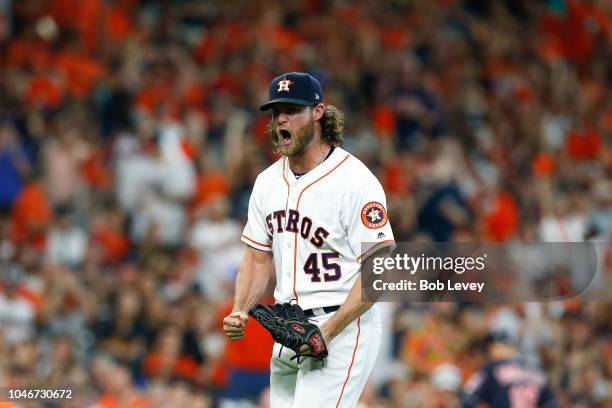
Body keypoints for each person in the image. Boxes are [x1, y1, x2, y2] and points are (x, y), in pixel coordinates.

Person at [222, 72, 395, 407]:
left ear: (318, 113)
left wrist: (327, 331)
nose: (281, 119)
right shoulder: (267, 182)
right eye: (276, 112)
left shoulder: (355, 181)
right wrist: (240, 309)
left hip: (343, 326)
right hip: (289, 329)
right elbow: (257, 257)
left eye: (292, 110)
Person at [461, 331, 559, 408]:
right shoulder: (537, 371)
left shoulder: (492, 368)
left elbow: (468, 399)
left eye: (493, 347)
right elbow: (551, 404)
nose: (490, 352)